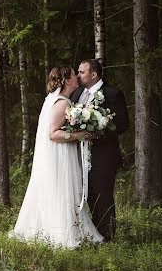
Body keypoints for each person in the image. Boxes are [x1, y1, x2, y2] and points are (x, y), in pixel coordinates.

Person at [9, 65, 104, 248]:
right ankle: (63, 234)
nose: (77, 76)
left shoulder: (60, 100)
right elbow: (52, 134)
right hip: (59, 154)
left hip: (60, 153)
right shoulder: (62, 103)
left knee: (62, 190)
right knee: (63, 190)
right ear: (67, 80)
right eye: (73, 75)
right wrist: (80, 135)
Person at [71, 59, 129, 242]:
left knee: (103, 195)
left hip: (104, 155)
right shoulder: (77, 94)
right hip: (79, 154)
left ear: (93, 74)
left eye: (81, 72)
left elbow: (122, 124)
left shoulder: (113, 93)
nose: (78, 76)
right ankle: (92, 236)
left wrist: (98, 133)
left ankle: (108, 237)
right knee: (86, 196)